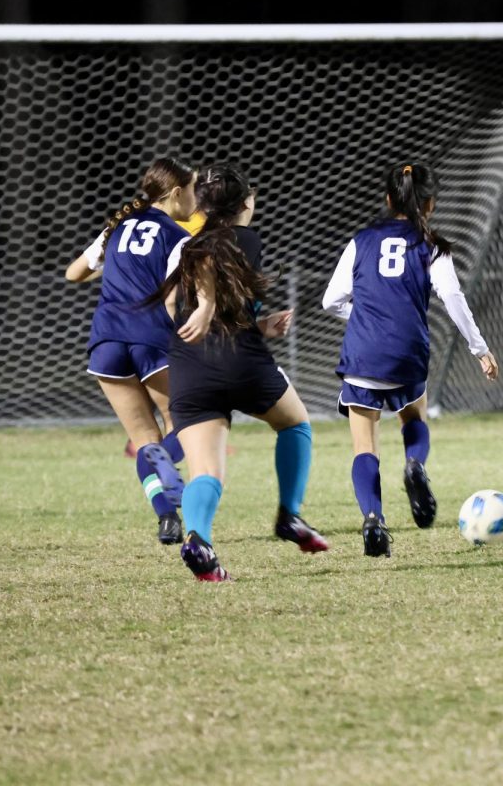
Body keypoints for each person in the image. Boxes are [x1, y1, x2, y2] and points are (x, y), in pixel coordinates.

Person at [157, 164, 328, 582]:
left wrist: (255, 323)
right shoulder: (243, 237)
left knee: (206, 473)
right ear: (246, 203)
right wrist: (210, 307)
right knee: (296, 424)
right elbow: (212, 264)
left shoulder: (184, 245)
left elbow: (168, 308)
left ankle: (198, 540)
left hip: (189, 362)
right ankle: (289, 515)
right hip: (238, 359)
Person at [323, 161, 498, 558]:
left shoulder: (361, 240)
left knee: (364, 448)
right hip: (406, 351)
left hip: (363, 352)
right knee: (414, 419)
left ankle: (373, 520)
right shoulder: (431, 245)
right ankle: (415, 466)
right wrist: (479, 348)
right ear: (431, 204)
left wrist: (367, 318)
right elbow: (453, 297)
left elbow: (330, 300)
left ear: (388, 199)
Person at [65, 157, 197, 546]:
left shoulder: (117, 227)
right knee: (186, 423)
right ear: (176, 194)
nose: (196, 198)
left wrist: (118, 270)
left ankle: (167, 518)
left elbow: (73, 273)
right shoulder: (179, 236)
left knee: (144, 439)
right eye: (192, 190)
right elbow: (174, 301)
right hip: (150, 339)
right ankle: (168, 472)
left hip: (106, 342)